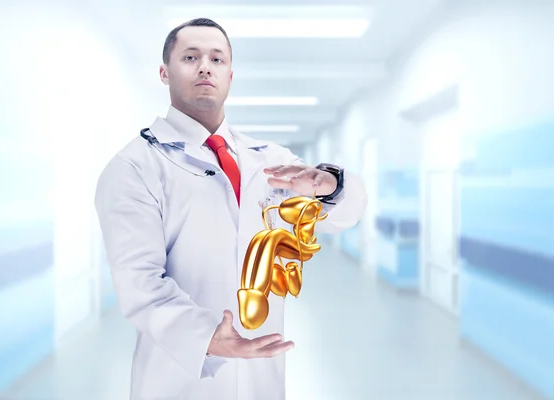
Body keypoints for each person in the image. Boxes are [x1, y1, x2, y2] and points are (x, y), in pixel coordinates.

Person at [94, 17, 367, 400]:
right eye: (190, 57)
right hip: (179, 379)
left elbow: (345, 216)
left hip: (261, 376)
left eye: (217, 59)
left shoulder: (271, 160)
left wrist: (332, 183)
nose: (205, 66)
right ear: (164, 72)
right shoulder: (135, 166)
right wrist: (205, 335)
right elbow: (139, 282)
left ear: (230, 76)